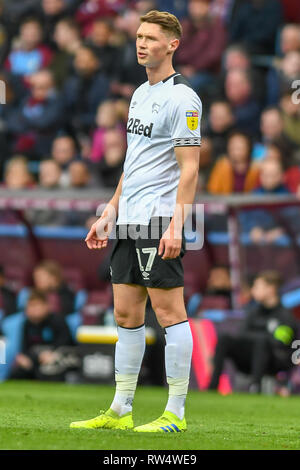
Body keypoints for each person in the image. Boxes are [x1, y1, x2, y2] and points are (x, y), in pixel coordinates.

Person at [70, 10, 201, 433]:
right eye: (139, 37)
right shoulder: (140, 94)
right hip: (129, 219)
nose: (142, 44)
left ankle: (175, 414)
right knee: (126, 315)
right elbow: (135, 161)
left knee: (169, 312)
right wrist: (110, 209)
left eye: (151, 38)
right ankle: (121, 409)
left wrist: (178, 225)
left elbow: (191, 168)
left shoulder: (184, 98)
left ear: (173, 45)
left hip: (161, 219)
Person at [209, 271, 297, 393]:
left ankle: (256, 387)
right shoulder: (253, 313)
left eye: (257, 286)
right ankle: (212, 386)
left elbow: (280, 344)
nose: (253, 290)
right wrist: (265, 333)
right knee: (225, 339)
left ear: (271, 289)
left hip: (274, 363)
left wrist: (261, 336)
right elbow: (241, 335)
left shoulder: (285, 317)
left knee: (261, 341)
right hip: (249, 361)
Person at [10, 290, 73, 380]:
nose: (32, 309)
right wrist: (24, 358)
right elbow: (25, 348)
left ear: (46, 306)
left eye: (36, 305)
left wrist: (52, 354)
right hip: (36, 359)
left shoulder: (58, 321)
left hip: (58, 357)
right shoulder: (26, 324)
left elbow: (65, 343)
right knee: (17, 373)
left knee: (48, 371)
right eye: (30, 306)